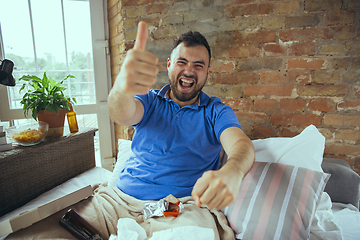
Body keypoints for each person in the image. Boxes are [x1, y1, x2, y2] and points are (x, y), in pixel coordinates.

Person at [107, 21, 255, 210]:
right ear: (169, 65)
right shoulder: (150, 100)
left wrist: (233, 171)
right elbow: (122, 114)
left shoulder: (216, 111)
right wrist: (121, 87)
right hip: (121, 199)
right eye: (181, 62)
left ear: (208, 72)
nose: (189, 71)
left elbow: (240, 144)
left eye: (198, 65)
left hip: (181, 209)